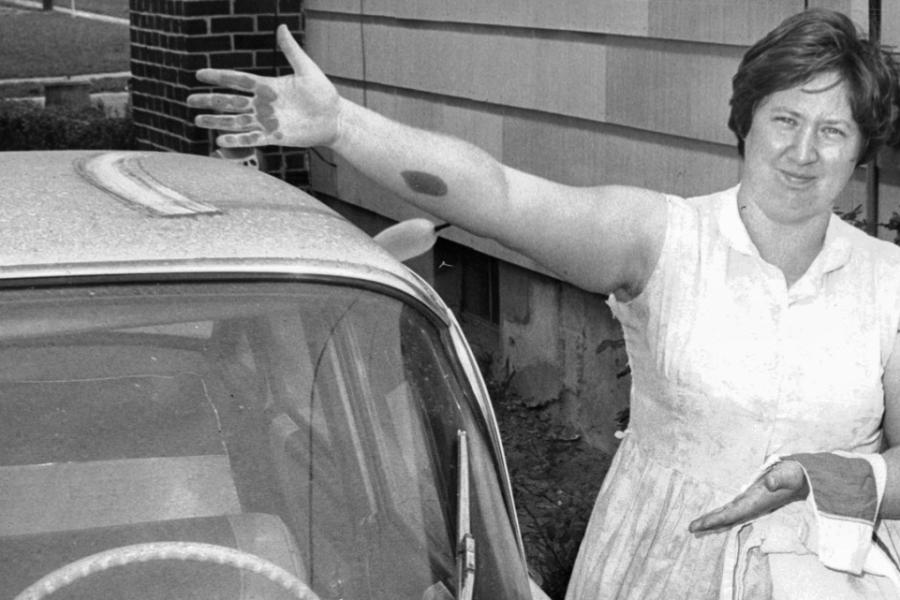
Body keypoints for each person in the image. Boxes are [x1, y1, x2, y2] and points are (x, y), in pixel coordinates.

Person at [187, 8, 900, 599]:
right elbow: (498, 197)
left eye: (833, 130)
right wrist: (342, 125)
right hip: (663, 568)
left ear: (861, 148)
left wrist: (836, 475)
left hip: (834, 576)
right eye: (785, 119)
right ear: (745, 122)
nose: (804, 151)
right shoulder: (664, 240)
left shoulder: (886, 281)